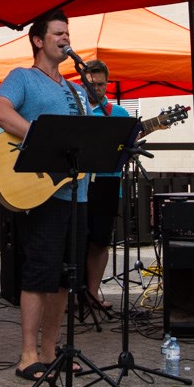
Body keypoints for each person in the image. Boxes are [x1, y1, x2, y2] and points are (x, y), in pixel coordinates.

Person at [0, 9, 91, 382]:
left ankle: (51, 352)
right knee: (38, 276)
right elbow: (0, 111)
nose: (67, 38)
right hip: (40, 194)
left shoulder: (77, 90)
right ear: (38, 40)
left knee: (65, 279)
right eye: (59, 33)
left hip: (77, 196)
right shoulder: (24, 79)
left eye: (68, 33)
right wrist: (38, 136)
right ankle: (27, 355)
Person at [83, 59, 130, 310]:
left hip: (107, 182)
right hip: (76, 182)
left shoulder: (118, 113)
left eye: (101, 84)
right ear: (83, 83)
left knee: (100, 240)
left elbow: (128, 147)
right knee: (76, 238)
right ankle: (69, 295)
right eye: (92, 84)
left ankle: (92, 293)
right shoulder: (75, 109)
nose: (97, 89)